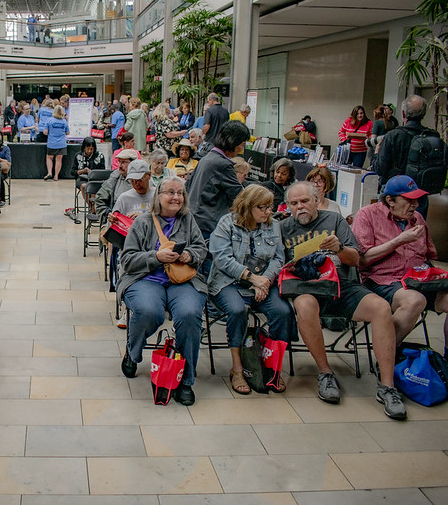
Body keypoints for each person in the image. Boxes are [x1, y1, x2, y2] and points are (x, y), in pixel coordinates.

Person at [280, 181, 406, 420]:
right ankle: (325, 373)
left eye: (305, 201)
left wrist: (338, 248)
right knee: (304, 305)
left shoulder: (335, 221)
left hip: (342, 284)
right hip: (306, 287)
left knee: (380, 307)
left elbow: (355, 259)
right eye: (294, 204)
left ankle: (388, 386)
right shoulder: (283, 227)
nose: (300, 207)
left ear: (316, 200)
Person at [118, 176, 207, 406]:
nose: (176, 197)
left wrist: (189, 255)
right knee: (149, 311)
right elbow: (126, 260)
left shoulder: (188, 220)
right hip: (145, 279)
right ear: (158, 196)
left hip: (181, 281)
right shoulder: (143, 222)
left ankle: (185, 380)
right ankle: (133, 351)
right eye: (170, 192)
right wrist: (155, 257)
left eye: (180, 193)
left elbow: (201, 249)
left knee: (189, 315)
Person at [209, 184, 294, 395]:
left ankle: (272, 367)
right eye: (263, 207)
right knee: (238, 310)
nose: (268, 212)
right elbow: (222, 259)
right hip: (229, 282)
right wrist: (251, 278)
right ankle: (237, 368)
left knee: (283, 311)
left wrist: (265, 279)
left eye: (270, 207)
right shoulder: (227, 224)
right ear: (248, 207)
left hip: (263, 282)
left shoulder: (273, 225)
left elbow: (278, 257)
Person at [353, 175, 448, 355]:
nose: (416, 205)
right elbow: (362, 259)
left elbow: (430, 253)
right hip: (382, 280)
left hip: (417, 278)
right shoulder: (367, 215)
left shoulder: (417, 217)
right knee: (415, 300)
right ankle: (388, 355)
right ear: (390, 200)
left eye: (417, 199)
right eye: (410, 200)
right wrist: (399, 241)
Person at [375, 94, 448, 217]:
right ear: (423, 114)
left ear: (403, 114)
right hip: (419, 193)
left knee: (386, 231)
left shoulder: (394, 136)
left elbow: (380, 169)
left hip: (394, 194)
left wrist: (376, 153)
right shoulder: (433, 136)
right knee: (416, 228)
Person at [186, 120, 248, 239]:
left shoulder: (207, 158)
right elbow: (240, 196)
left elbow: (188, 185)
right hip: (209, 225)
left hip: (195, 219)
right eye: (242, 144)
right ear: (234, 142)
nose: (242, 148)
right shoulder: (222, 164)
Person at [95, 149, 139, 218]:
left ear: (133, 164)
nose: (120, 166)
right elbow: (99, 198)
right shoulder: (115, 177)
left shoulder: (143, 178)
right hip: (117, 221)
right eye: (119, 162)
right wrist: (107, 215)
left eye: (124, 162)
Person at [70, 136, 106, 212]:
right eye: (87, 149)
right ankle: (93, 209)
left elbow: (103, 171)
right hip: (82, 179)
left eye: (91, 149)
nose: (89, 151)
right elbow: (72, 172)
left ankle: (94, 209)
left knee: (93, 190)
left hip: (96, 179)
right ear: (83, 148)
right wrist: (82, 171)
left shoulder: (100, 156)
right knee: (85, 186)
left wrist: (93, 172)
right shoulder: (78, 156)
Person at [44, 105, 69, 181]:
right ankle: (56, 176)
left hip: (51, 143)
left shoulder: (49, 120)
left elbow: (45, 132)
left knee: (49, 157)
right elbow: (67, 133)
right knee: (59, 160)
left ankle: (49, 172)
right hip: (61, 143)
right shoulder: (64, 121)